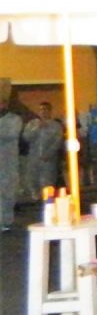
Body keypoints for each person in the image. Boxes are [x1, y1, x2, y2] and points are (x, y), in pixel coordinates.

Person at [22, 102, 64, 199]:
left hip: (48, 160)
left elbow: (57, 142)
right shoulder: (32, 124)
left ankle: (47, 200)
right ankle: (35, 198)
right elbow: (26, 138)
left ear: (50, 111)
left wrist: (49, 153)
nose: (43, 112)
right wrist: (37, 128)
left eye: (46, 109)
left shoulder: (56, 126)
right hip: (33, 158)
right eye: (41, 110)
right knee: (33, 179)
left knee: (48, 182)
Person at [0, 97, 21, 232]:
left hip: (8, 162)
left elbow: (11, 134)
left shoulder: (14, 119)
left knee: (9, 193)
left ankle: (7, 220)